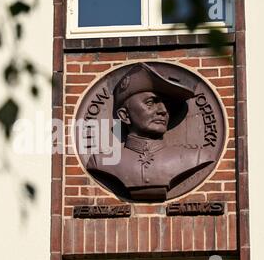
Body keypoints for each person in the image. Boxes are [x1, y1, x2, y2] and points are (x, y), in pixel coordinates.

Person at [86, 63, 214, 201]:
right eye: (150, 103)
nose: (163, 111)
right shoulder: (100, 162)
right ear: (125, 116)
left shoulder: (196, 158)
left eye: (166, 104)